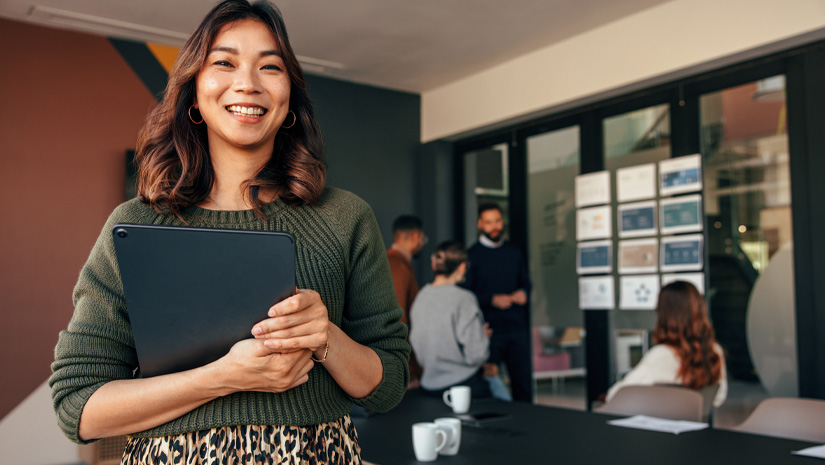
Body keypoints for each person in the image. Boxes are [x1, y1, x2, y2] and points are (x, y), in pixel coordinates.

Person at [48, 2, 409, 463]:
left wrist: (326, 338)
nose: (249, 83)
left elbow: (390, 384)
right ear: (194, 94)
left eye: (270, 66)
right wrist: (223, 376)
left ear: (290, 98)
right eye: (224, 62)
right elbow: (76, 408)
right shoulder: (135, 225)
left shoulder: (343, 217)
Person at [606, 280, 728, 407]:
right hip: (696, 423)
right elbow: (718, 397)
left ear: (663, 314)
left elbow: (615, 396)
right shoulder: (714, 350)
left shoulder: (661, 355)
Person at [462, 203, 533, 402]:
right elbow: (466, 295)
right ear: (479, 224)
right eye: (489, 222)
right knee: (490, 386)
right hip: (489, 331)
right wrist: (492, 299)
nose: (495, 226)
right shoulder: (472, 255)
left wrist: (523, 292)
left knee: (523, 386)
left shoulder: (514, 252)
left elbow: (526, 283)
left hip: (516, 328)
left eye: (498, 221)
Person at [409, 241, 492, 398]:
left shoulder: (421, 297)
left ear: (435, 266)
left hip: (429, 388)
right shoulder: (464, 298)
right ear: (461, 267)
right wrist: (481, 337)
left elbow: (419, 345)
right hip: (464, 387)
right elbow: (477, 354)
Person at [386, 214, 426, 387]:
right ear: (416, 237)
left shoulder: (385, 261)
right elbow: (399, 321)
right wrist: (410, 370)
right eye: (423, 238)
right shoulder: (399, 267)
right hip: (397, 368)